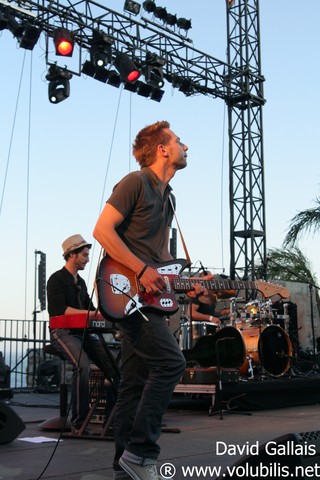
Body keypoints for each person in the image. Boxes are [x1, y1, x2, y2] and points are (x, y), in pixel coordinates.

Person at [93, 121, 207, 480]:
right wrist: (141, 271)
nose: (185, 146)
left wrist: (183, 284)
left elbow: (161, 262)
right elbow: (102, 230)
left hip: (148, 297)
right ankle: (141, 454)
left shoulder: (169, 198)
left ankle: (124, 466)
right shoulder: (136, 182)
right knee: (172, 364)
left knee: (133, 382)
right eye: (178, 141)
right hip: (125, 293)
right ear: (162, 149)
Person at [47, 234, 119, 435]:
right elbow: (59, 310)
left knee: (114, 367)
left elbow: (92, 308)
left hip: (83, 332)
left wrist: (108, 316)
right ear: (71, 255)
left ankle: (112, 420)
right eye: (84, 255)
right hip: (62, 332)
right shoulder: (56, 279)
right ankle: (79, 422)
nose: (88, 259)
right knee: (83, 365)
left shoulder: (82, 283)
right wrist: (90, 313)